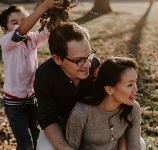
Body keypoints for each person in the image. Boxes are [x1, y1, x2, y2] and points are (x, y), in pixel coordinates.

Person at [34, 22, 132, 150]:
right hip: (61, 125)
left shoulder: (100, 69)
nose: (87, 65)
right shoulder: (44, 76)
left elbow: (122, 109)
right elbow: (48, 119)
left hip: (99, 127)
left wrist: (123, 146)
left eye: (89, 55)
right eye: (78, 60)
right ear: (57, 59)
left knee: (137, 145)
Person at [0, 1, 62, 150]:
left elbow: (51, 28)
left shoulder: (32, 39)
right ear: (4, 29)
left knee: (35, 140)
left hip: (32, 100)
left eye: (24, 20)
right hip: (15, 105)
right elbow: (20, 31)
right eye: (14, 23)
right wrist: (43, 7)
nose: (21, 24)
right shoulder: (6, 41)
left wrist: (57, 11)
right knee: (25, 145)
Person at [66, 57, 141, 150]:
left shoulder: (133, 109)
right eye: (130, 85)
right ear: (109, 89)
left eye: (135, 82)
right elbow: (70, 147)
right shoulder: (82, 112)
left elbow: (135, 146)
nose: (135, 89)